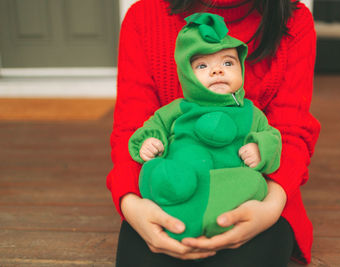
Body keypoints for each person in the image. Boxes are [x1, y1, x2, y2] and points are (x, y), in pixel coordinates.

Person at [107, 0, 320, 266]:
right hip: (168, 195)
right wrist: (131, 204)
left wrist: (270, 206)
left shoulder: (293, 19)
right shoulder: (144, 16)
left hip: (257, 195)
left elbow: (290, 132)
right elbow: (133, 129)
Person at [128, 12, 282, 241]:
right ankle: (171, 196)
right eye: (202, 66)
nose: (217, 71)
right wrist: (150, 142)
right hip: (183, 173)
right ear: (186, 75)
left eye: (228, 62)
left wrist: (260, 149)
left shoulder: (251, 113)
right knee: (159, 172)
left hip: (228, 179)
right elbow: (154, 125)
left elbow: (273, 137)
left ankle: (220, 219)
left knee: (256, 183)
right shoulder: (179, 109)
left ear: (241, 67)